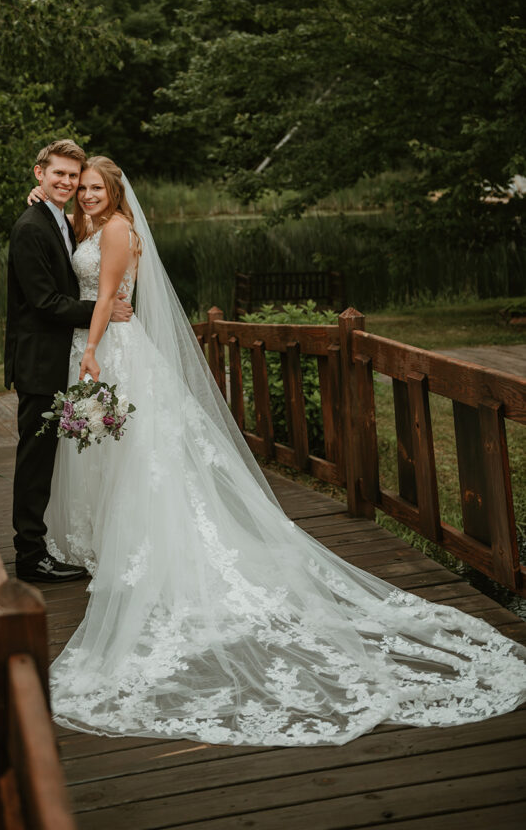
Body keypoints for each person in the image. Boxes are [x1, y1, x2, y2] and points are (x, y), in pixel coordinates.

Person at [27, 156, 526, 746]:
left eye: (93, 187)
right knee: (127, 457)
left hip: (110, 349)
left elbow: (109, 296)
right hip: (106, 346)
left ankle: (142, 549)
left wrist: (90, 356)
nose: (84, 195)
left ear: (113, 192)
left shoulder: (112, 229)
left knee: (143, 462)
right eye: (78, 187)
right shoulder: (82, 223)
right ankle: (115, 544)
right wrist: (44, 203)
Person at [4, 140, 132, 584]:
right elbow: (42, 302)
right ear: (39, 172)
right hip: (40, 359)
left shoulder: (63, 218)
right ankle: (30, 556)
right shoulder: (31, 227)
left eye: (73, 177)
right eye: (58, 174)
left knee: (80, 453)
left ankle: (77, 539)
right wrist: (103, 309)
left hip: (72, 352)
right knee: (35, 459)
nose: (68, 183)